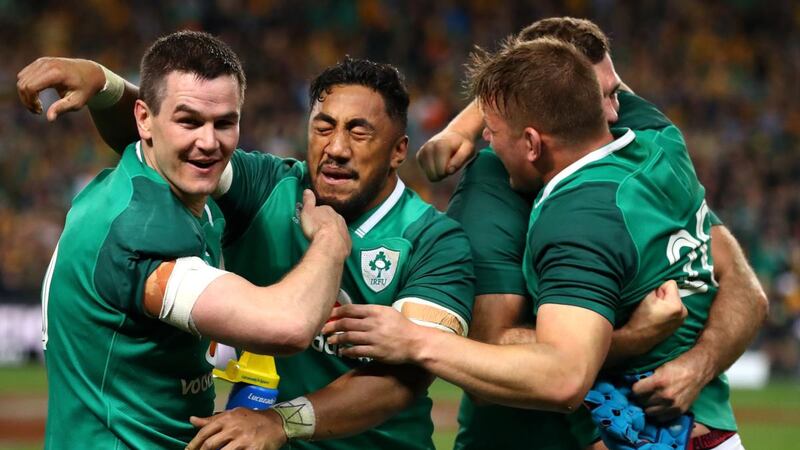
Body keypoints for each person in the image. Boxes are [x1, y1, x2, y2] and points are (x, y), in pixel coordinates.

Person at [18, 55, 475, 449]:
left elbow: (402, 380)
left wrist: (281, 421)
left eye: (359, 132)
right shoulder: (269, 187)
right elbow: (173, 143)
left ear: (398, 150)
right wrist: (103, 85)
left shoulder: (435, 241)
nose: (335, 148)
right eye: (324, 127)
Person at [325, 37, 756, 450]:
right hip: (702, 433)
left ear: (532, 142)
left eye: (490, 129)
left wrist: (414, 339)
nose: (484, 139)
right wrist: (467, 122)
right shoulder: (659, 142)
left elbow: (560, 373)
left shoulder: (576, 213)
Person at [21, 31, 351, 450]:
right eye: (189, 121)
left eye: (225, 123)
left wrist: (104, 84)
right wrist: (329, 241)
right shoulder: (143, 232)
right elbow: (288, 328)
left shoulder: (156, 184)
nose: (209, 142)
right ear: (145, 119)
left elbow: (163, 129)